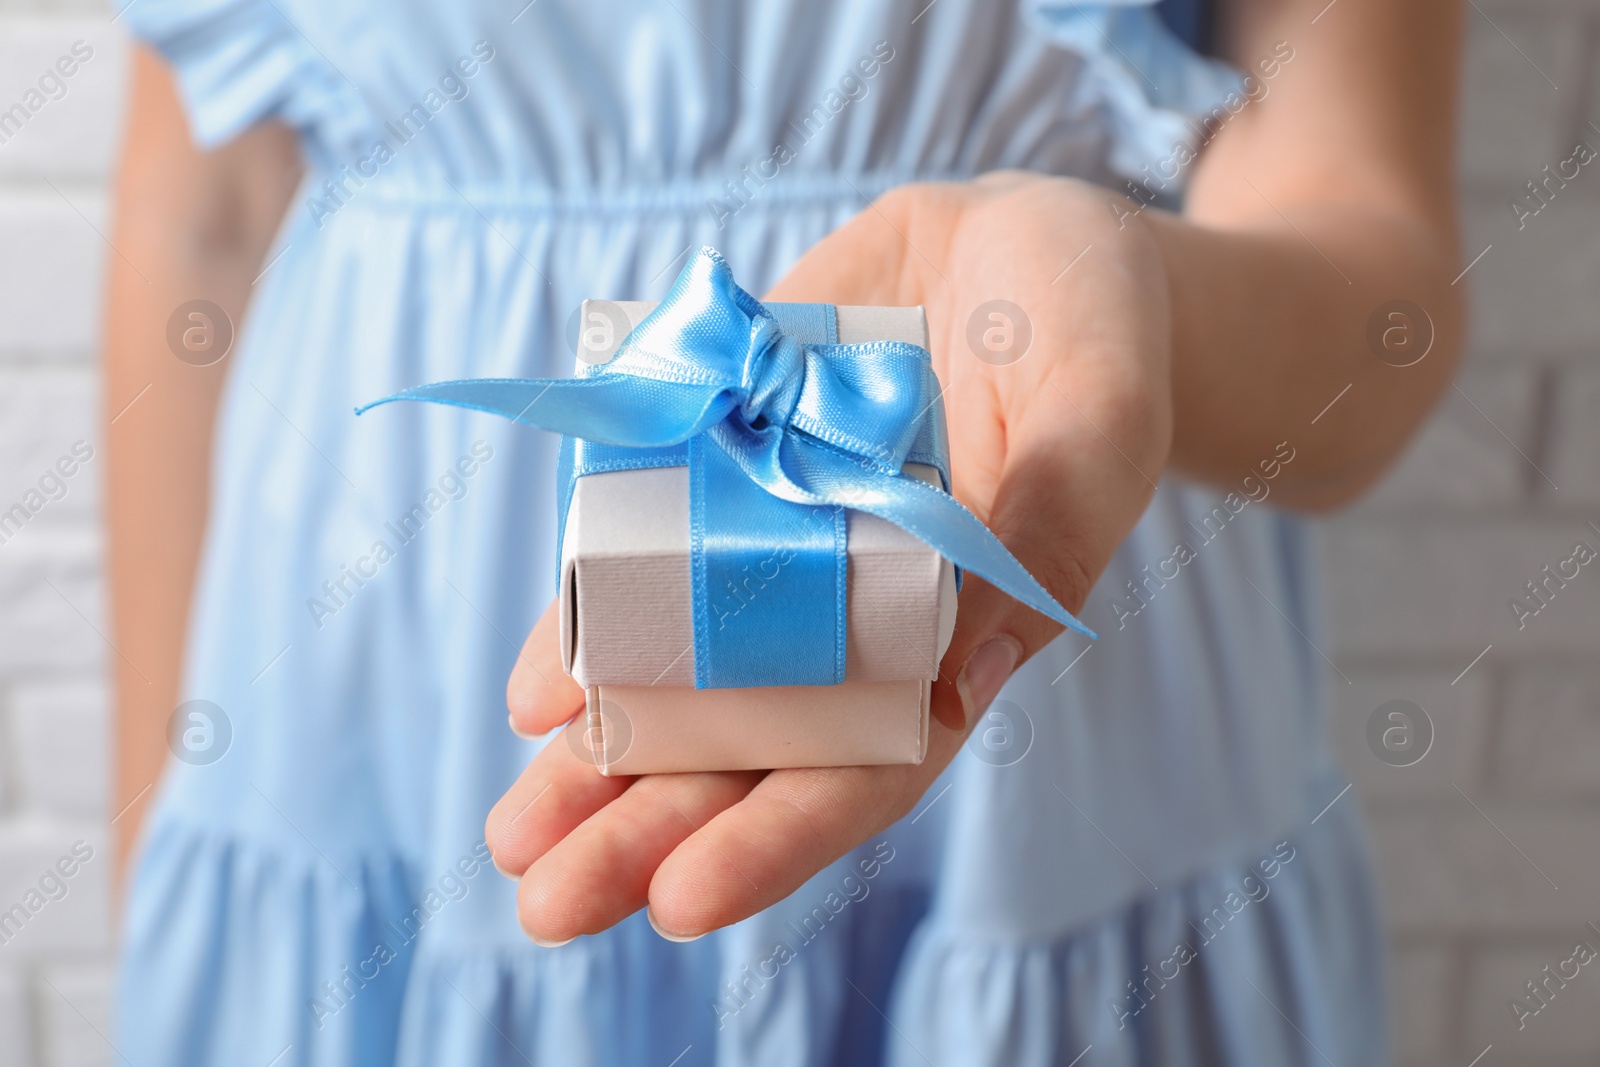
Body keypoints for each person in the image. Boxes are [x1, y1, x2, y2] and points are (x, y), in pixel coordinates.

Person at [104, 0, 1463, 1063]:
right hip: (376, 700)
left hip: (1051, 726)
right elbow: (202, 216)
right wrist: (156, 816)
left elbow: (1378, 274)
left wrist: (1143, 299)